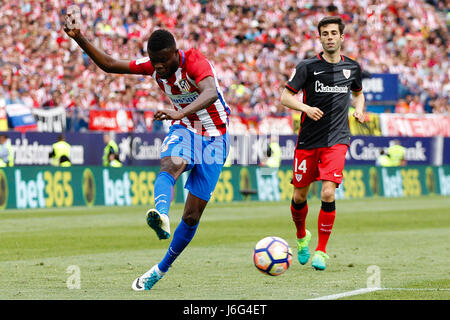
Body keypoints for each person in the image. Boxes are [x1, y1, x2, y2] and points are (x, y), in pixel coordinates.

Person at [64, 11, 230, 291]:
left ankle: (160, 269)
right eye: (155, 62)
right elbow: (109, 64)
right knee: (170, 165)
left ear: (175, 54)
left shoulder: (195, 61)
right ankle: (161, 214)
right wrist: (79, 37)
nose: (159, 67)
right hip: (186, 130)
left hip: (215, 138)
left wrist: (178, 112)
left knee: (191, 217)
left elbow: (210, 93)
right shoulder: (154, 65)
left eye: (164, 61)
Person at [280, 16, 365, 271]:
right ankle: (301, 236)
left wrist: (359, 111)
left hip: (338, 139)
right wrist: (306, 107)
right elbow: (285, 97)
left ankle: (322, 250)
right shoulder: (307, 67)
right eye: (325, 33)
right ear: (320, 38)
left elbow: (358, 94)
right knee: (299, 196)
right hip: (308, 139)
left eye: (333, 33)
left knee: (328, 192)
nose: (329, 37)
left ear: (342, 37)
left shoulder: (352, 68)